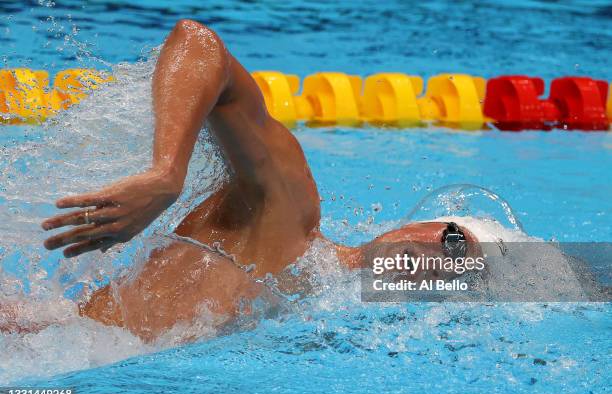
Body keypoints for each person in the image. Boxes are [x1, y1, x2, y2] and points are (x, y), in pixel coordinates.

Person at [38, 20, 479, 342]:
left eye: (459, 274)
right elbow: (199, 44)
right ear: (418, 225)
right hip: (39, 341)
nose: (443, 261)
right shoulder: (288, 217)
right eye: (455, 242)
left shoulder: (310, 319)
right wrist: (167, 172)